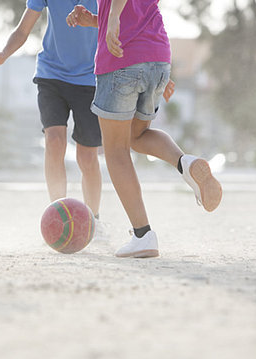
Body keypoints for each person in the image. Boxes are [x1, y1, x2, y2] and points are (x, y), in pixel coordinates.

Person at [67, 1, 222, 258]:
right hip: (157, 57)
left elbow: (120, 11)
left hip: (120, 60)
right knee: (136, 136)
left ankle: (143, 234)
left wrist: (113, 18)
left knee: (116, 151)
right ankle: (186, 163)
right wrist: (97, 20)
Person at [0, 0, 104, 223]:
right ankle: (59, 216)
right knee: (54, 141)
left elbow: (122, 25)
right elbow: (23, 29)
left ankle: (93, 220)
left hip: (91, 78)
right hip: (51, 74)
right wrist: (4, 54)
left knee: (87, 156)